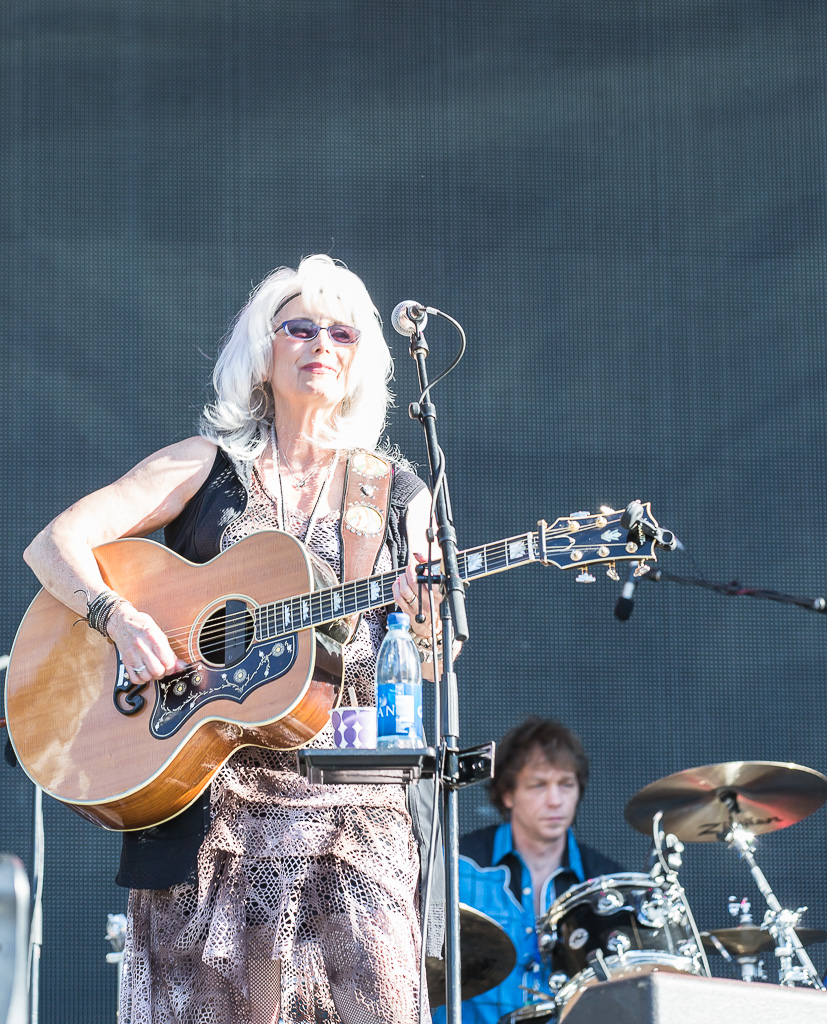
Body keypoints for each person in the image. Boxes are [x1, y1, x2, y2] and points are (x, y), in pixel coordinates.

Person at [23, 255, 455, 1024]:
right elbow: (54, 545)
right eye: (299, 326)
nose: (320, 342)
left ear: (362, 360)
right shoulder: (205, 468)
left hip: (352, 803)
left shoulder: (393, 494)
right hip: (212, 803)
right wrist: (119, 619)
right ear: (263, 349)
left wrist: (421, 615)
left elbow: (434, 653)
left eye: (341, 331)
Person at [434, 717, 622, 1024]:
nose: (555, 800)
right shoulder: (455, 866)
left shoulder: (605, 885)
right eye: (539, 785)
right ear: (508, 794)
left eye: (566, 784)